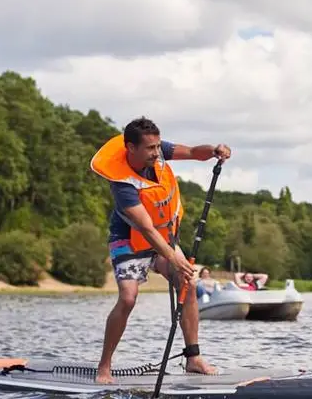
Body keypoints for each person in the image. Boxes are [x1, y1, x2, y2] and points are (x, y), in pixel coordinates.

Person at [89, 116, 231, 384]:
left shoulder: (158, 152)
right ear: (131, 148)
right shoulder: (122, 184)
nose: (157, 152)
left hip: (162, 237)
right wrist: (172, 257)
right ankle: (104, 366)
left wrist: (213, 151)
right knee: (128, 298)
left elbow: (191, 152)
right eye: (150, 148)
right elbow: (146, 229)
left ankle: (193, 358)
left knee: (186, 281)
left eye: (157, 146)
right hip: (129, 240)